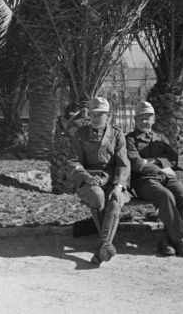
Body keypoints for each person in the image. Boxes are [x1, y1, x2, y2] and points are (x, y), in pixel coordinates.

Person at [125, 101, 183, 258]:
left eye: (148, 117)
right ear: (135, 120)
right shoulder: (129, 139)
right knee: (166, 196)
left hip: (166, 176)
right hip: (144, 181)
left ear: (154, 119)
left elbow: (174, 159)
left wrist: (153, 161)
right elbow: (136, 164)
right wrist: (160, 164)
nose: (145, 121)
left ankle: (166, 239)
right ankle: (179, 241)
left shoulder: (160, 138)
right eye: (141, 118)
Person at [67, 97, 130, 266]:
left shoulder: (117, 134)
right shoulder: (80, 135)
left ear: (108, 116)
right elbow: (73, 162)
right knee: (98, 196)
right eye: (93, 114)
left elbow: (123, 164)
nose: (95, 118)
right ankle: (106, 244)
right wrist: (87, 177)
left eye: (100, 114)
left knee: (115, 200)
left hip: (113, 180)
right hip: (88, 180)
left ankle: (104, 246)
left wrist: (118, 186)